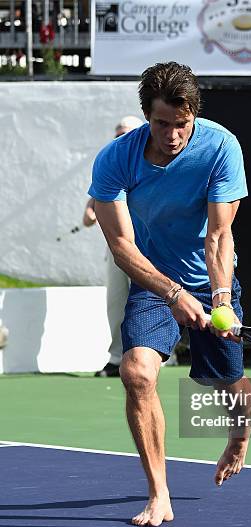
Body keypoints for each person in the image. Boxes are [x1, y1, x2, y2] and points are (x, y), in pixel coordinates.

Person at [89, 61, 251, 527]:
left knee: (227, 380)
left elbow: (219, 236)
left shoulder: (221, 146)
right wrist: (172, 291)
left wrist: (219, 297)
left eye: (182, 124)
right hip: (153, 279)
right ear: (146, 116)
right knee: (136, 371)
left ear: (193, 115)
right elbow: (121, 246)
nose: (173, 135)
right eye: (162, 123)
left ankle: (240, 434)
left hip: (210, 276)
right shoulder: (115, 158)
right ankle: (159, 493)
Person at [83, 116, 144, 377]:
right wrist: (90, 211)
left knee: (150, 301)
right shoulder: (112, 164)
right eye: (117, 134)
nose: (121, 139)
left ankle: (162, 355)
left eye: (127, 133)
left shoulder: (149, 163)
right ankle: (117, 358)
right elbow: (93, 205)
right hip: (117, 247)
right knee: (117, 302)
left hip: (151, 247)